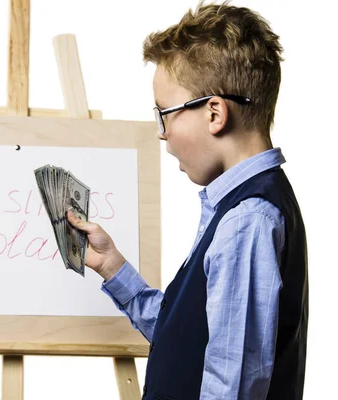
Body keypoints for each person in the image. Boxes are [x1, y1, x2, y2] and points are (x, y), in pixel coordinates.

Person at [66, 1, 308, 399]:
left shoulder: (247, 220)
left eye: (165, 114)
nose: (162, 133)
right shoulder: (240, 208)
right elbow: (186, 333)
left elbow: (233, 385)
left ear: (215, 114)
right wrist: (113, 267)